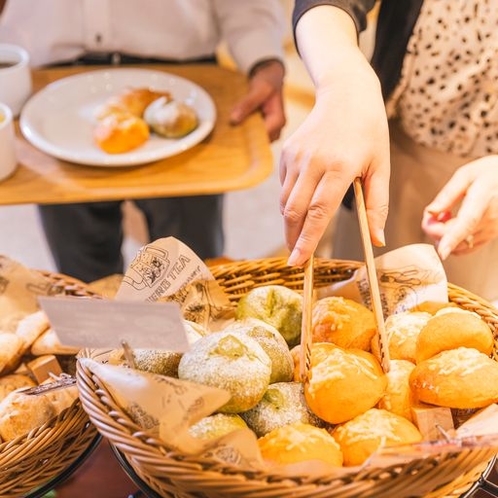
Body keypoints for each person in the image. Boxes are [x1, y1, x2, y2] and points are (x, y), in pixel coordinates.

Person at [0, 0, 286, 282]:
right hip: (49, 101)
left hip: (187, 86)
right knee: (84, 290)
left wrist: (262, 56)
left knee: (189, 281)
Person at [280, 0, 498, 302]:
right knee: (351, 300)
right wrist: (343, 80)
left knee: (465, 320)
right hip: (387, 152)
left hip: (488, 191)